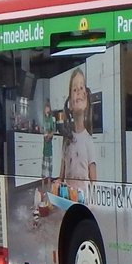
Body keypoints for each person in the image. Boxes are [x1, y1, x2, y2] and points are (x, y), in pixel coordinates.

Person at [58, 69, 96, 200]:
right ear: (69, 104)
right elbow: (61, 177)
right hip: (67, 199)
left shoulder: (88, 140)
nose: (78, 91)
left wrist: (92, 203)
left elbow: (93, 180)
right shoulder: (66, 139)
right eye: (74, 90)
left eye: (81, 88)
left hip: (83, 201)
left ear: (86, 101)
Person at [41, 102, 55, 183]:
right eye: (45, 108)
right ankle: (43, 181)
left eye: (48, 108)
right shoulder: (43, 119)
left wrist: (49, 135)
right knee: (44, 165)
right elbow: (43, 129)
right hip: (45, 145)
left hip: (49, 143)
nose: (46, 109)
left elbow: (53, 130)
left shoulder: (51, 119)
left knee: (50, 165)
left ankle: (49, 181)